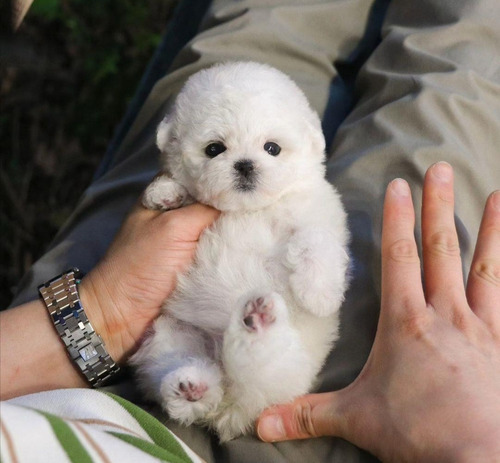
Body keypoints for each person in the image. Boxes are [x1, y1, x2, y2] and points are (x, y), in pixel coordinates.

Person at [2, 0, 499, 461]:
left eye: (271, 150)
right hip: (291, 416)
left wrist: (104, 308)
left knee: (247, 42)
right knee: (446, 85)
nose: (245, 167)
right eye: (217, 151)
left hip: (54, 374)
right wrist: (474, 446)